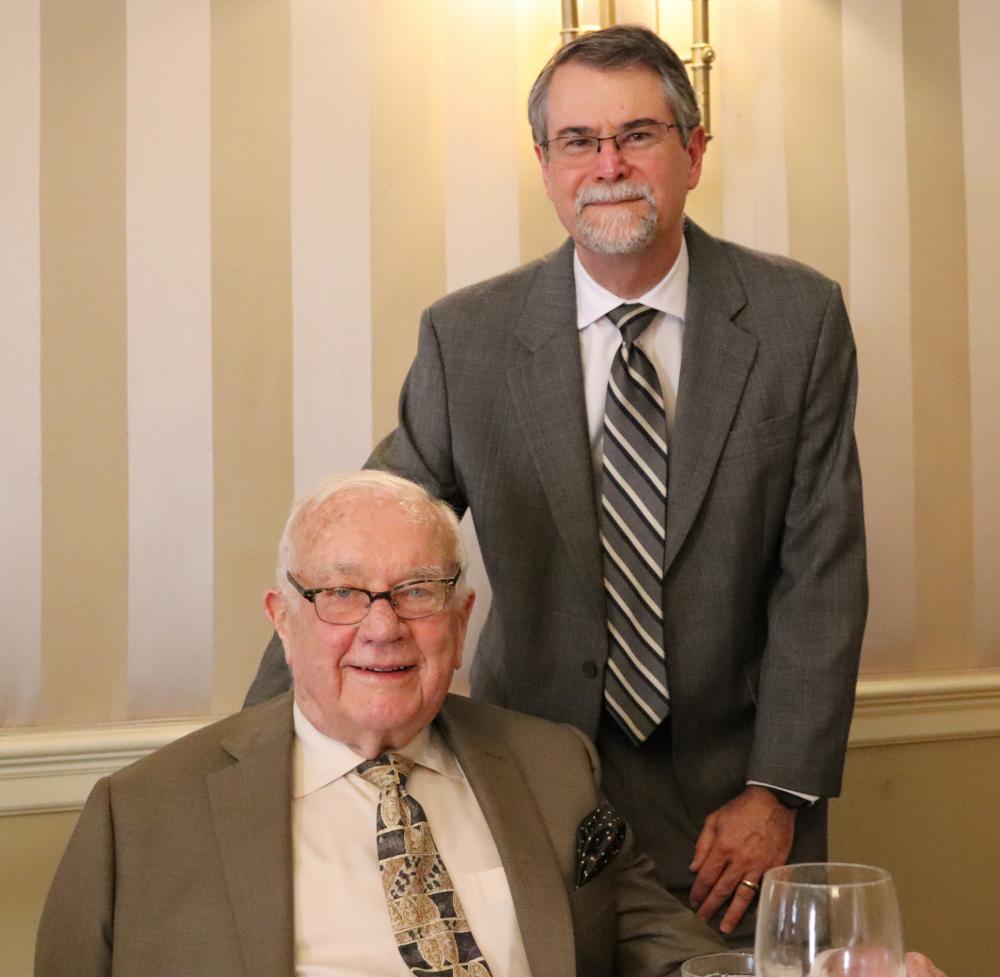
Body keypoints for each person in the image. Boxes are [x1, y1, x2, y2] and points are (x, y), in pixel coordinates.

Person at [246, 25, 868, 941]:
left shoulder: (797, 319)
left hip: (736, 812)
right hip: (527, 784)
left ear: (694, 152)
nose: (607, 164)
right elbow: (366, 540)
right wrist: (252, 754)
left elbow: (823, 569)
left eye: (639, 135)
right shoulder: (471, 338)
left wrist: (775, 791)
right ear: (545, 164)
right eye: (578, 141)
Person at [35, 471, 727, 977]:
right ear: (282, 617)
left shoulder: (553, 767)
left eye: (418, 590)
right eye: (342, 593)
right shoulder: (141, 815)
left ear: (460, 621)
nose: (382, 627)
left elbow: (666, 949)